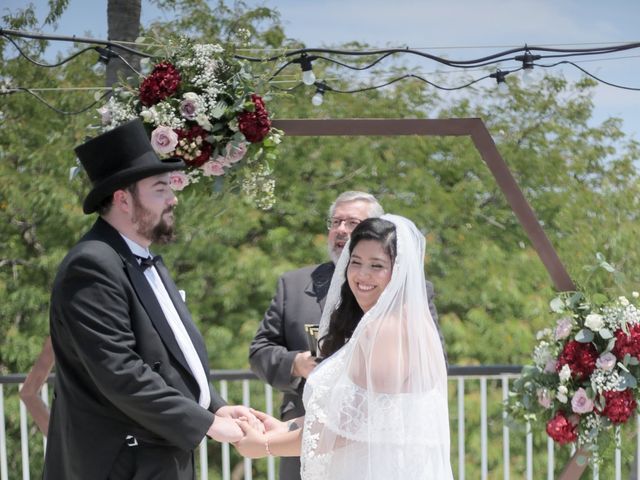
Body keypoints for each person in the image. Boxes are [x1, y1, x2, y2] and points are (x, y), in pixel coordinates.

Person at [43, 119, 257, 480]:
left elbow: (169, 360)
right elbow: (120, 372)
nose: (173, 198)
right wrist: (205, 423)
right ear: (123, 199)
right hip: (119, 464)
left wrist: (215, 408)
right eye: (160, 189)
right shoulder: (92, 264)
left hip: (156, 455)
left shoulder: (139, 257)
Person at [237, 215, 454, 479]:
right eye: (356, 262)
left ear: (398, 271)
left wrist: (265, 447)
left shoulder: (388, 328)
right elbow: (346, 410)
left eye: (377, 266)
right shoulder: (392, 321)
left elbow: (350, 427)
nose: (362, 275)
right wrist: (284, 428)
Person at [248, 191, 385, 480]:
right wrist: (295, 364)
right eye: (335, 222)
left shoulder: (405, 293)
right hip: (301, 432)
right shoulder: (294, 285)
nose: (341, 230)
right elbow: (260, 351)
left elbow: (432, 363)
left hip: (375, 443)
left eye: (352, 223)